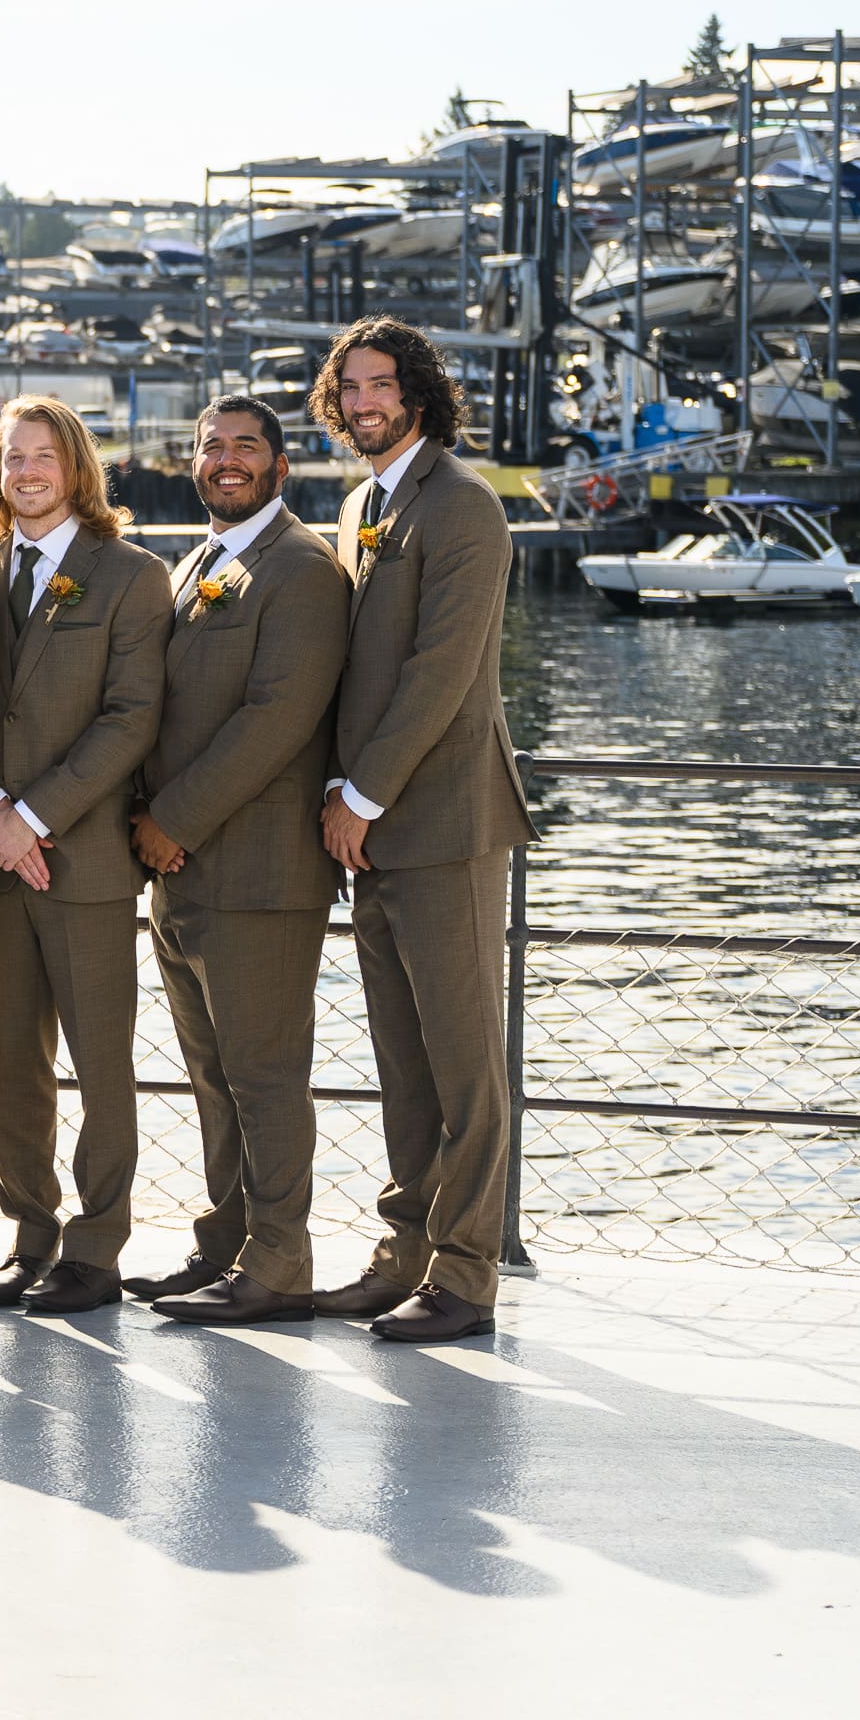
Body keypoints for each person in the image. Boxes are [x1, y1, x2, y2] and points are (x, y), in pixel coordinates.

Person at [307, 317, 537, 1344]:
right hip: (368, 828)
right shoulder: (361, 503)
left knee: (463, 1063)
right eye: (349, 386)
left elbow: (441, 671)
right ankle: (404, 1250)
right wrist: (342, 793)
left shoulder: (465, 505)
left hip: (440, 821)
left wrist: (359, 795)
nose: (363, 402)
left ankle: (466, 1274)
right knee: (402, 1063)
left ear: (418, 392)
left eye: (380, 384)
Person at [130, 396, 352, 1326]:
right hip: (181, 872)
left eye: (247, 446)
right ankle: (224, 1244)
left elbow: (276, 719)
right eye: (211, 445)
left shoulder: (301, 568)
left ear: (280, 464)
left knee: (263, 1075)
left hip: (258, 872)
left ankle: (279, 1264)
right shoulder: (200, 561)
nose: (227, 459)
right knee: (213, 1077)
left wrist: (171, 819)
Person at [0, 395, 172, 1316]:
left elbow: (132, 716)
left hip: (83, 857)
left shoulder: (132, 575)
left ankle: (95, 1249)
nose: (27, 471)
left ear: (76, 465)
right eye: (12, 457)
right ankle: (29, 1232)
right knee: (12, 1057)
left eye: (43, 455)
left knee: (100, 1062)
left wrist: (37, 815)